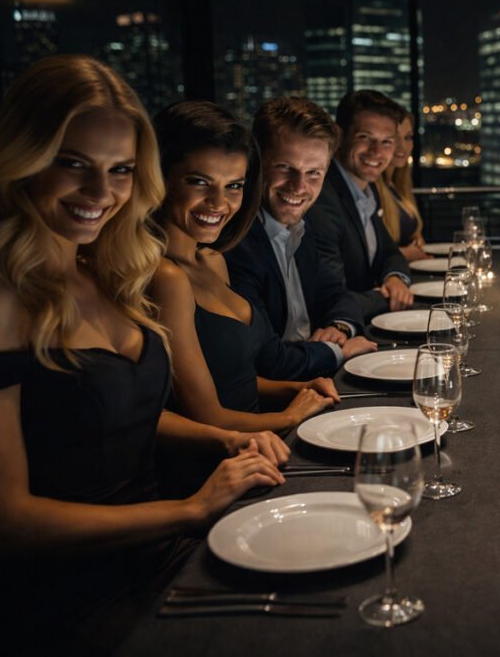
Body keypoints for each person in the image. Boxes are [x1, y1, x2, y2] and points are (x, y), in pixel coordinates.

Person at [0, 56, 285, 654]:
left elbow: (120, 414)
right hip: (72, 598)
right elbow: (7, 522)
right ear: (23, 159)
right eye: (73, 164)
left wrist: (222, 441)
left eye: (120, 170)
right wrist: (188, 509)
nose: (101, 193)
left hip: (160, 557)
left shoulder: (108, 270)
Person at [150, 101, 340, 435]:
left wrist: (297, 389)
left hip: (261, 440)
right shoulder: (165, 276)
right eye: (199, 182)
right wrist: (290, 417)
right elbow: (206, 415)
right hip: (226, 459)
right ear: (161, 179)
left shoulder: (213, 259)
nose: (219, 203)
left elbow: (236, 379)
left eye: (234, 186)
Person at [224, 97, 375, 358]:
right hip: (282, 388)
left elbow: (339, 295)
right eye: (285, 167)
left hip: (312, 368)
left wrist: (339, 327)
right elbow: (265, 356)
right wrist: (335, 352)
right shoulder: (236, 241)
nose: (298, 186)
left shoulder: (302, 227)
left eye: (314, 173)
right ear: (256, 161)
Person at [310, 89, 413, 320]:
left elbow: (389, 252)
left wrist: (395, 278)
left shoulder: (368, 188)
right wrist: (384, 296)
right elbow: (331, 298)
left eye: (386, 142)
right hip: (336, 331)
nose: (377, 152)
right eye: (365, 138)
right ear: (339, 135)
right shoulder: (323, 198)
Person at [376, 110, 429, 262]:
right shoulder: (371, 189)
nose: (403, 147)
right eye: (394, 138)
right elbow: (370, 254)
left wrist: (417, 238)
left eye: (408, 137)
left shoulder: (395, 184)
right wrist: (405, 253)